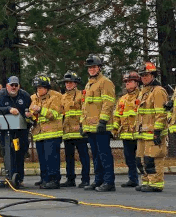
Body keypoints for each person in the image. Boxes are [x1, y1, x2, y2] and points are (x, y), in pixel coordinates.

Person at [80, 54, 116, 192]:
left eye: (94, 67)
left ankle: (109, 182)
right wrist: (83, 124)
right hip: (90, 127)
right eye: (89, 67)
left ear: (99, 68)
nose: (91, 69)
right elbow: (84, 107)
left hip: (101, 126)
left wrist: (103, 121)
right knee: (95, 155)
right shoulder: (89, 84)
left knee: (104, 154)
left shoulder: (105, 82)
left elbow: (108, 103)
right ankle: (98, 180)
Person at [0, 76, 32, 186]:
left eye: (16, 85)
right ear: (7, 86)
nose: (13, 87)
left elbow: (30, 110)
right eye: (11, 85)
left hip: (21, 130)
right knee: (8, 152)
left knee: (20, 152)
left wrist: (29, 116)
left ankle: (19, 178)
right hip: (6, 130)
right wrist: (8, 109)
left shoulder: (25, 96)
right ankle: (9, 176)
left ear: (19, 86)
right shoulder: (0, 95)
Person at [134, 62, 169, 192]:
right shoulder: (143, 91)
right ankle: (147, 181)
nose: (144, 77)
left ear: (153, 75)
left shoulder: (158, 91)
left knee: (153, 159)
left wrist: (157, 131)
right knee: (141, 160)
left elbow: (161, 113)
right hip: (143, 133)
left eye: (147, 75)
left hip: (153, 132)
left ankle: (156, 183)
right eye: (142, 75)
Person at [28, 75, 63, 189]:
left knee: (51, 158)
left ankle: (54, 180)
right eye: (37, 88)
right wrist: (29, 116)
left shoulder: (56, 97)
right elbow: (32, 113)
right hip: (39, 133)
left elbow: (54, 114)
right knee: (42, 159)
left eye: (41, 87)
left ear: (47, 87)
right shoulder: (33, 98)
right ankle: (44, 179)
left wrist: (40, 110)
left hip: (52, 133)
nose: (39, 90)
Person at [59, 71, 91, 188]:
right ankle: (70, 179)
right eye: (66, 82)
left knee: (83, 156)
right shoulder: (62, 97)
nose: (68, 84)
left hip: (79, 131)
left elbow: (85, 111)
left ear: (76, 83)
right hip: (67, 132)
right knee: (69, 157)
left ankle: (85, 179)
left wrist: (83, 126)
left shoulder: (82, 94)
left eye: (70, 82)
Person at [112, 71, 141, 188]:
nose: (127, 84)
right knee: (129, 159)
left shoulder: (142, 96)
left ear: (137, 83)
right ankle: (133, 179)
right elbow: (117, 116)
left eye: (130, 82)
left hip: (139, 134)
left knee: (142, 160)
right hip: (126, 134)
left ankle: (148, 180)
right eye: (126, 82)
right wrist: (114, 129)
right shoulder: (122, 99)